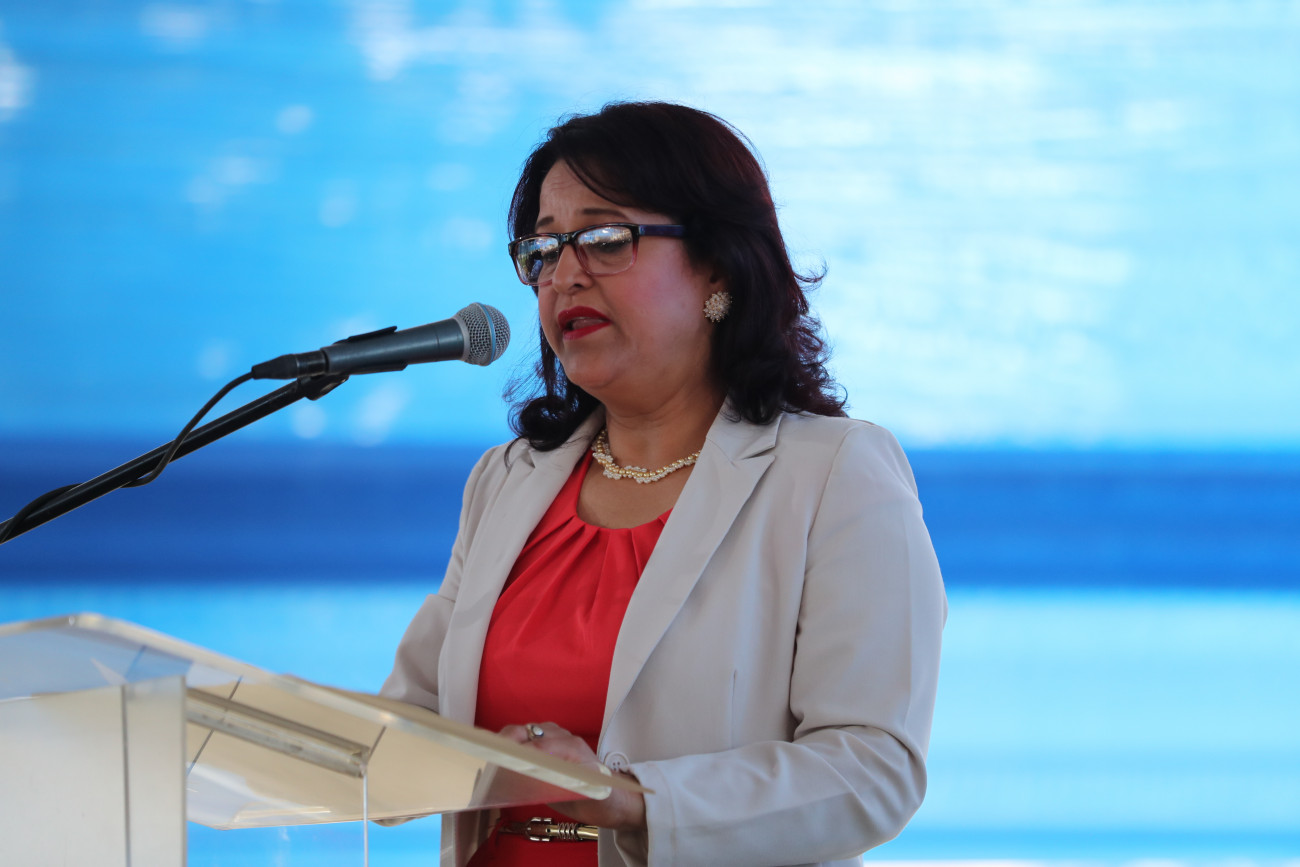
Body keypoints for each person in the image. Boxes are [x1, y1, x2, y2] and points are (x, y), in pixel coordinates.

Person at [382, 101, 946, 867]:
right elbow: (406, 727)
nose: (564, 275)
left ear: (718, 266)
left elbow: (873, 770)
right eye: (543, 249)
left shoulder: (832, 474)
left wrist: (632, 801)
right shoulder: (506, 482)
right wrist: (249, 717)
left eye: (605, 239)